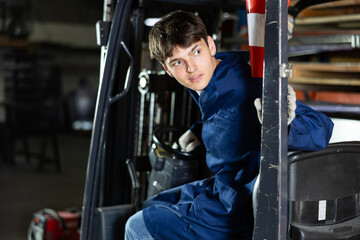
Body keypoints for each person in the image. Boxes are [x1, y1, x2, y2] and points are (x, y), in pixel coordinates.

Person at [125, 10, 334, 240]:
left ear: (210, 46)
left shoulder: (246, 86)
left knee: (136, 226)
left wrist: (283, 123)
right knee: (153, 202)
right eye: (178, 62)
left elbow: (321, 128)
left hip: (236, 208)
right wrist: (197, 131)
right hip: (222, 187)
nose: (191, 67)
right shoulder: (215, 73)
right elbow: (227, 116)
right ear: (167, 69)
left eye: (196, 51)